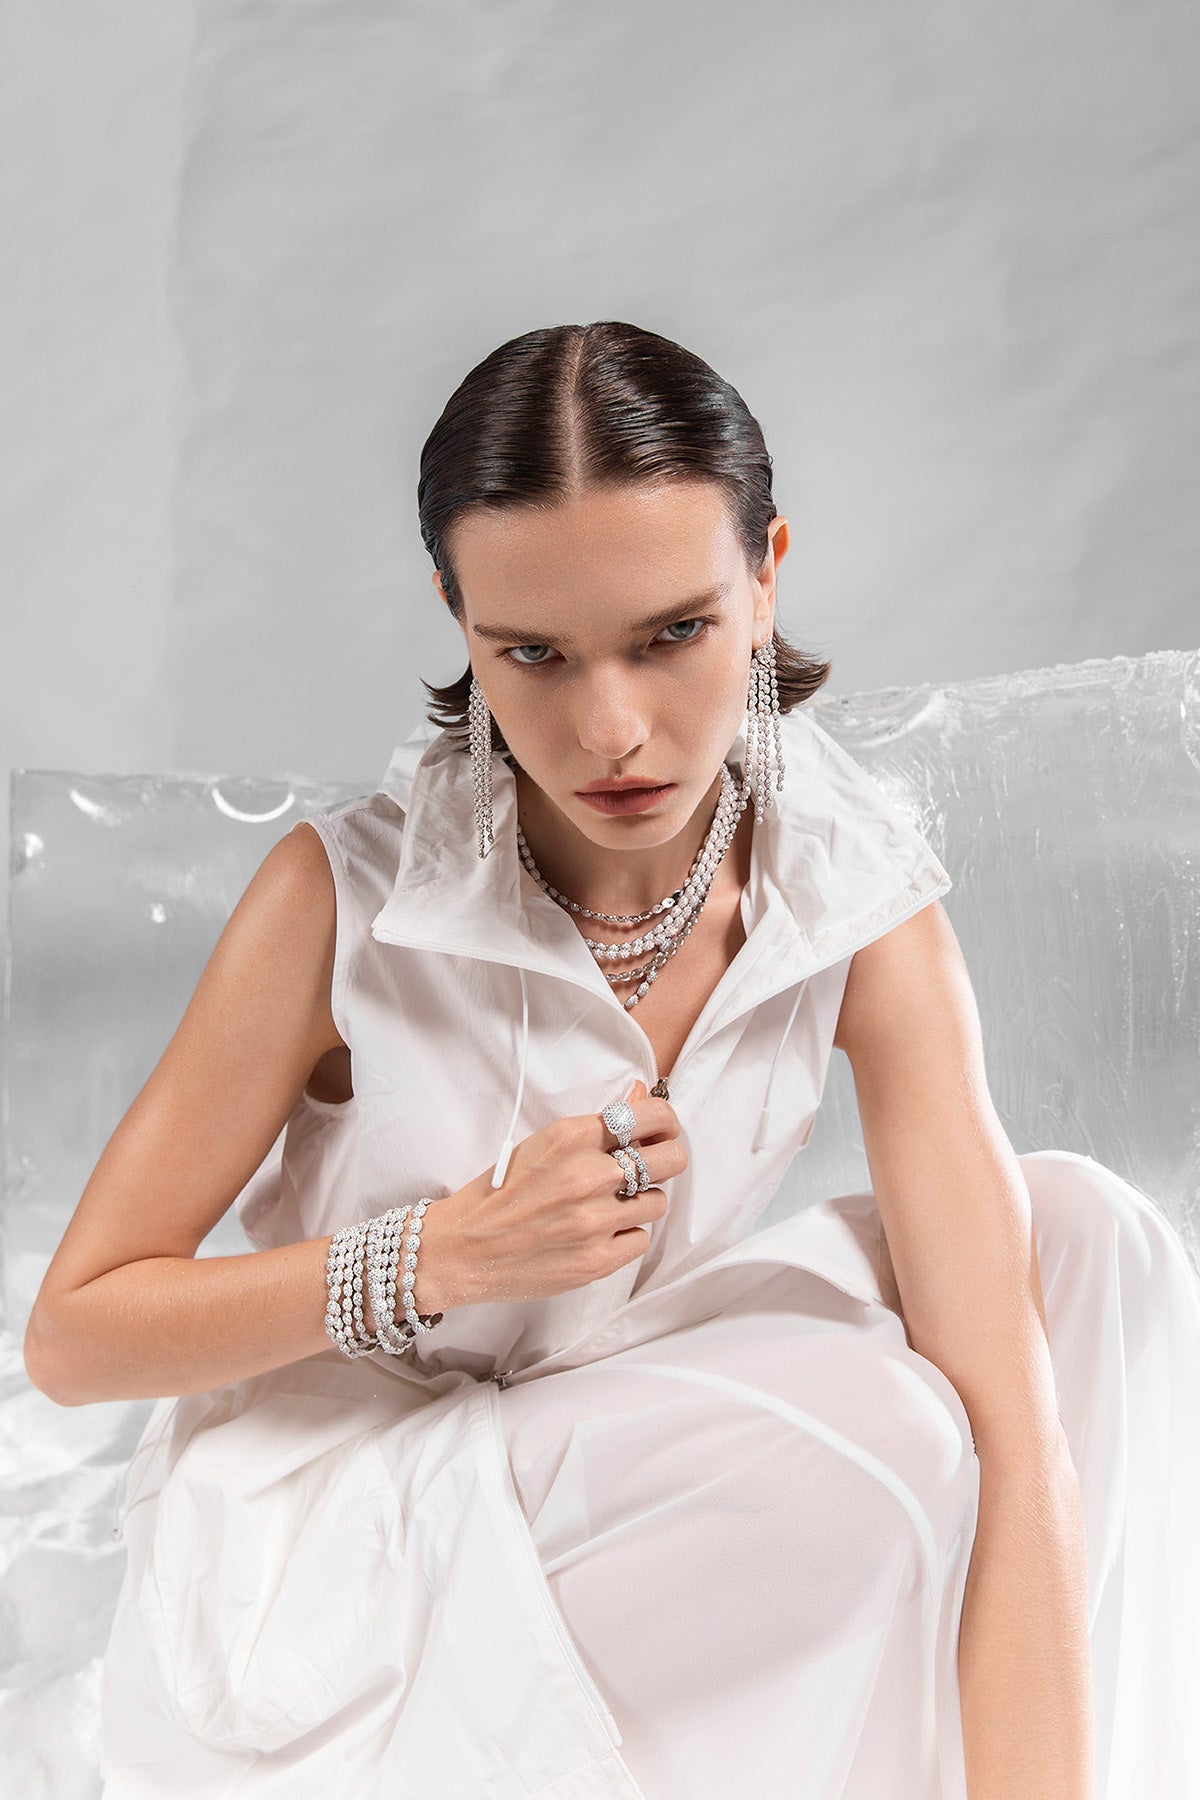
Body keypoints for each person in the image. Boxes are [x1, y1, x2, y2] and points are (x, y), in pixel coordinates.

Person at [23, 321, 1200, 1800]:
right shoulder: (343, 900)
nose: (612, 729)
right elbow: (72, 1337)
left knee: (1098, 1245)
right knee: (889, 1441)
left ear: (768, 573)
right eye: (534, 653)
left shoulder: (850, 894)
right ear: (457, 618)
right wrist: (436, 1255)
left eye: (672, 634)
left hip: (617, 1425)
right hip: (335, 1551)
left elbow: (1023, 1431)